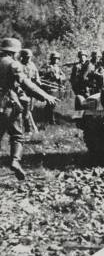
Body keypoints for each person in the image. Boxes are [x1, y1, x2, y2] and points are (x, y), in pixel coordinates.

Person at [0, 38, 58, 180]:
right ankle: (15, 161)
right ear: (14, 52)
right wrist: (45, 96)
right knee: (17, 135)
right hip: (7, 103)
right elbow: (27, 84)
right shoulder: (13, 65)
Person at [40, 51, 66, 125]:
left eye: (57, 59)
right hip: (50, 87)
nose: (55, 60)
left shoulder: (58, 67)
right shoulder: (48, 67)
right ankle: (50, 120)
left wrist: (60, 77)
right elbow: (43, 76)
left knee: (52, 105)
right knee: (51, 104)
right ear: (51, 59)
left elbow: (64, 77)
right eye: (54, 58)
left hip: (56, 87)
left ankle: (48, 119)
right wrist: (51, 76)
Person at [19, 49, 40, 134]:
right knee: (24, 110)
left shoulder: (32, 65)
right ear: (22, 57)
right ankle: (28, 128)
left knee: (30, 109)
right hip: (22, 90)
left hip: (31, 90)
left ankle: (29, 128)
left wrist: (38, 80)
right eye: (27, 57)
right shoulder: (19, 65)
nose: (28, 59)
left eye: (30, 57)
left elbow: (36, 74)